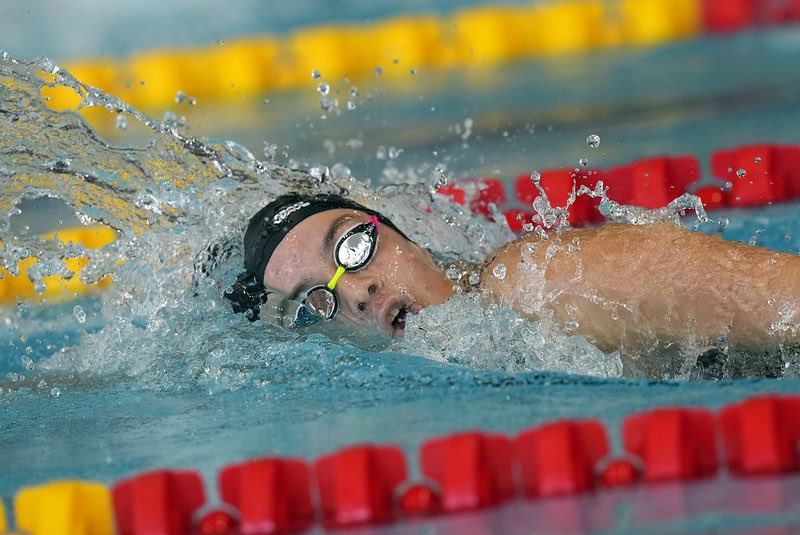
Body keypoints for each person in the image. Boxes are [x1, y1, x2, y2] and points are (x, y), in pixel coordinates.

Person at [227, 192, 800, 370]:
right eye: (317, 299)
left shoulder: (541, 280)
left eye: (352, 248)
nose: (355, 291)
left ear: (403, 235)